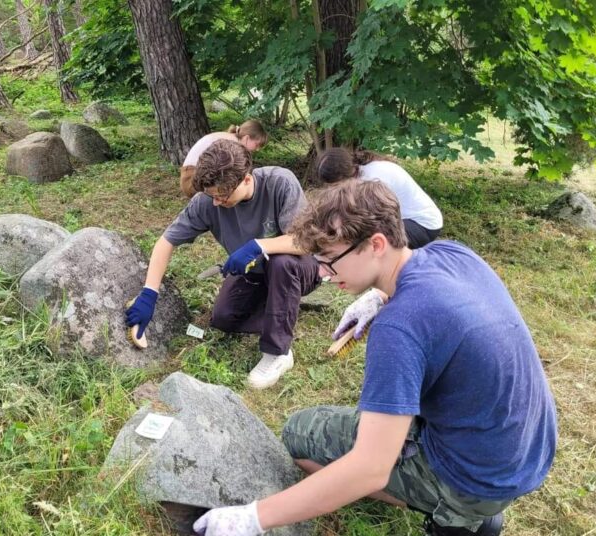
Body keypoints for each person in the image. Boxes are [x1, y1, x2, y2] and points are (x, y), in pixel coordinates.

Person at [192, 180, 557, 536]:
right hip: (526, 448)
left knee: (298, 436)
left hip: (476, 478)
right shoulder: (453, 253)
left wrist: (255, 517)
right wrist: (381, 297)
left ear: (376, 244)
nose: (322, 272)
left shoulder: (399, 330)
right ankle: (471, 507)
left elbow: (369, 469)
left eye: (330, 260)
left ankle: (455, 513)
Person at [126, 139, 320, 390]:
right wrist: (149, 293)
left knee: (281, 263)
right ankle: (281, 311)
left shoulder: (280, 183)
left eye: (222, 196)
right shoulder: (207, 202)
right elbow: (166, 241)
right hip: (254, 274)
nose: (216, 203)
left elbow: (305, 242)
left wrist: (259, 246)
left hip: (297, 267)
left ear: (247, 180)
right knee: (224, 319)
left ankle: (278, 352)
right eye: (212, 196)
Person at [316, 147, 443, 249]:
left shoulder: (372, 181)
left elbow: (368, 220)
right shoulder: (361, 171)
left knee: (371, 244)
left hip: (422, 225)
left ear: (341, 178)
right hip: (404, 220)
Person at [180, 120, 268, 197]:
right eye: (257, 145)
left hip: (194, 176)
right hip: (192, 180)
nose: (257, 149)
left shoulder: (228, 138)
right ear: (246, 138)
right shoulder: (231, 145)